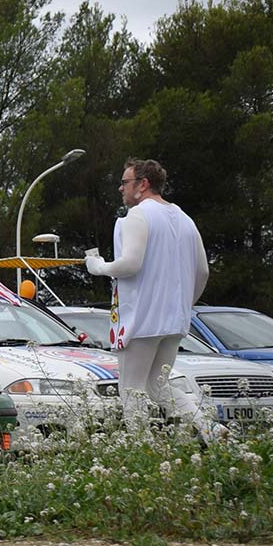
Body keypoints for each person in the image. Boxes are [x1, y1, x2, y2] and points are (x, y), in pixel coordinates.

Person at [83, 159, 212, 430]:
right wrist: (184, 304)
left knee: (131, 388)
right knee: (157, 385)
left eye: (125, 182)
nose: (121, 188)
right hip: (175, 321)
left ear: (143, 184)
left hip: (141, 319)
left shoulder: (138, 215)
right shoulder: (186, 220)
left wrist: (99, 267)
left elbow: (130, 264)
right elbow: (202, 272)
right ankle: (211, 429)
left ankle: (140, 445)